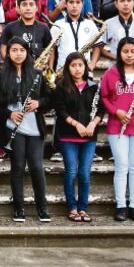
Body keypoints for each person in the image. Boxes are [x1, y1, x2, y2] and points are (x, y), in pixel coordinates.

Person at [0, 38, 51, 223]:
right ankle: (19, 208)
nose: (18, 53)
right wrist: (9, 114)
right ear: (8, 53)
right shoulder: (1, 76)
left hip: (34, 128)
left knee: (36, 167)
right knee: (17, 167)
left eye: (22, 50)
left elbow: (50, 99)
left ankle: (42, 207)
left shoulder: (37, 74)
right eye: (14, 50)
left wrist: (38, 103)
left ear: (27, 53)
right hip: (13, 129)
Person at [99, 37, 134, 222]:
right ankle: (120, 206)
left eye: (133, 51)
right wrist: (117, 111)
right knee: (121, 166)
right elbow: (104, 98)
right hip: (117, 126)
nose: (129, 55)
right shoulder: (111, 74)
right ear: (119, 53)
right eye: (125, 51)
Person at [52, 52, 101, 223]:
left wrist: (93, 124)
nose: (77, 69)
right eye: (73, 65)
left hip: (89, 135)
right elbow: (60, 110)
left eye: (80, 65)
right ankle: (72, 208)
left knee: (84, 174)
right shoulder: (61, 86)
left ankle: (83, 208)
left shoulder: (94, 86)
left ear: (85, 66)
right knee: (72, 172)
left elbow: (100, 110)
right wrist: (77, 125)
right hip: (68, 136)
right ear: (68, 67)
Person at [54, 0, 101, 71]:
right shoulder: (58, 25)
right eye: (71, 2)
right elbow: (52, 48)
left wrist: (92, 63)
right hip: (63, 70)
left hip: (84, 70)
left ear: (82, 4)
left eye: (78, 2)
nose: (74, 6)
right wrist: (51, 68)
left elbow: (97, 45)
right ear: (66, 4)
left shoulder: (90, 24)